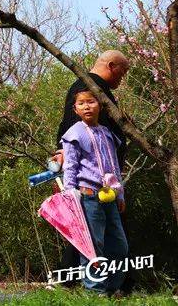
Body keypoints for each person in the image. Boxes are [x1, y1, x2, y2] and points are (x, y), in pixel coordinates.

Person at [55, 50, 129, 288]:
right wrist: (70, 189)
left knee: (114, 242)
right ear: (111, 66)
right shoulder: (87, 86)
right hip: (87, 188)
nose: (123, 78)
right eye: (123, 71)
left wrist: (120, 191)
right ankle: (90, 289)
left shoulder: (103, 123)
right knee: (90, 241)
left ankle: (110, 287)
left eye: (91, 103)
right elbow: (69, 133)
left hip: (108, 187)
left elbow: (111, 153)